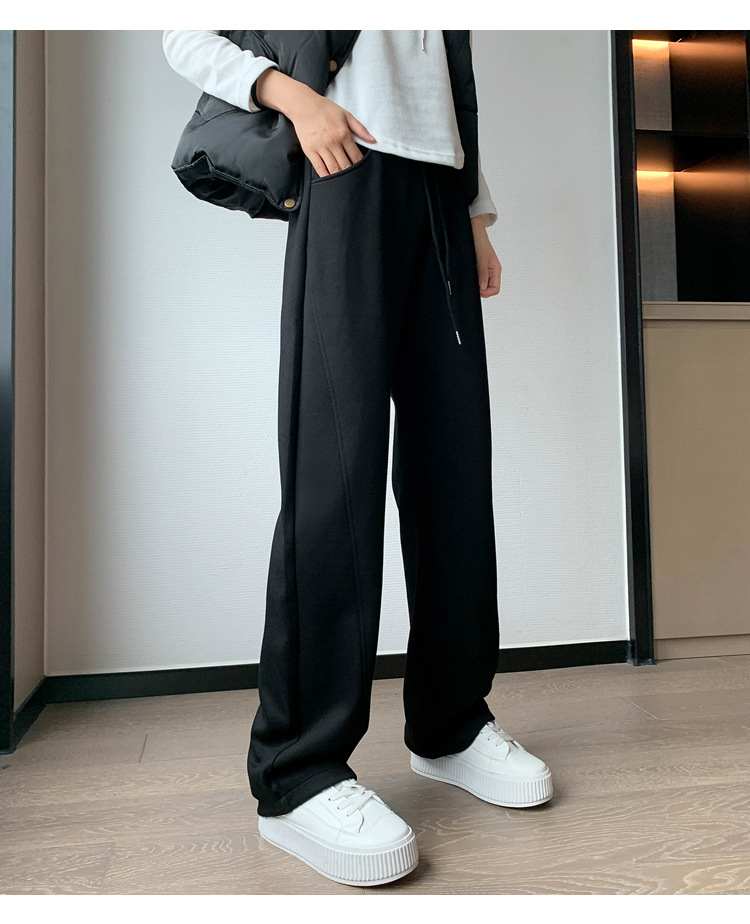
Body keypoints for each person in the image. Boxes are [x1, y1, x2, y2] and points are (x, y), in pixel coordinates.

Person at [162, 29, 553, 888]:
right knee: (333, 473)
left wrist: (475, 214)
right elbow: (183, 31)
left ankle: (450, 724)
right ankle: (296, 771)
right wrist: (297, 101)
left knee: (455, 468)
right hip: (344, 169)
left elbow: (443, 85)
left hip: (439, 192)